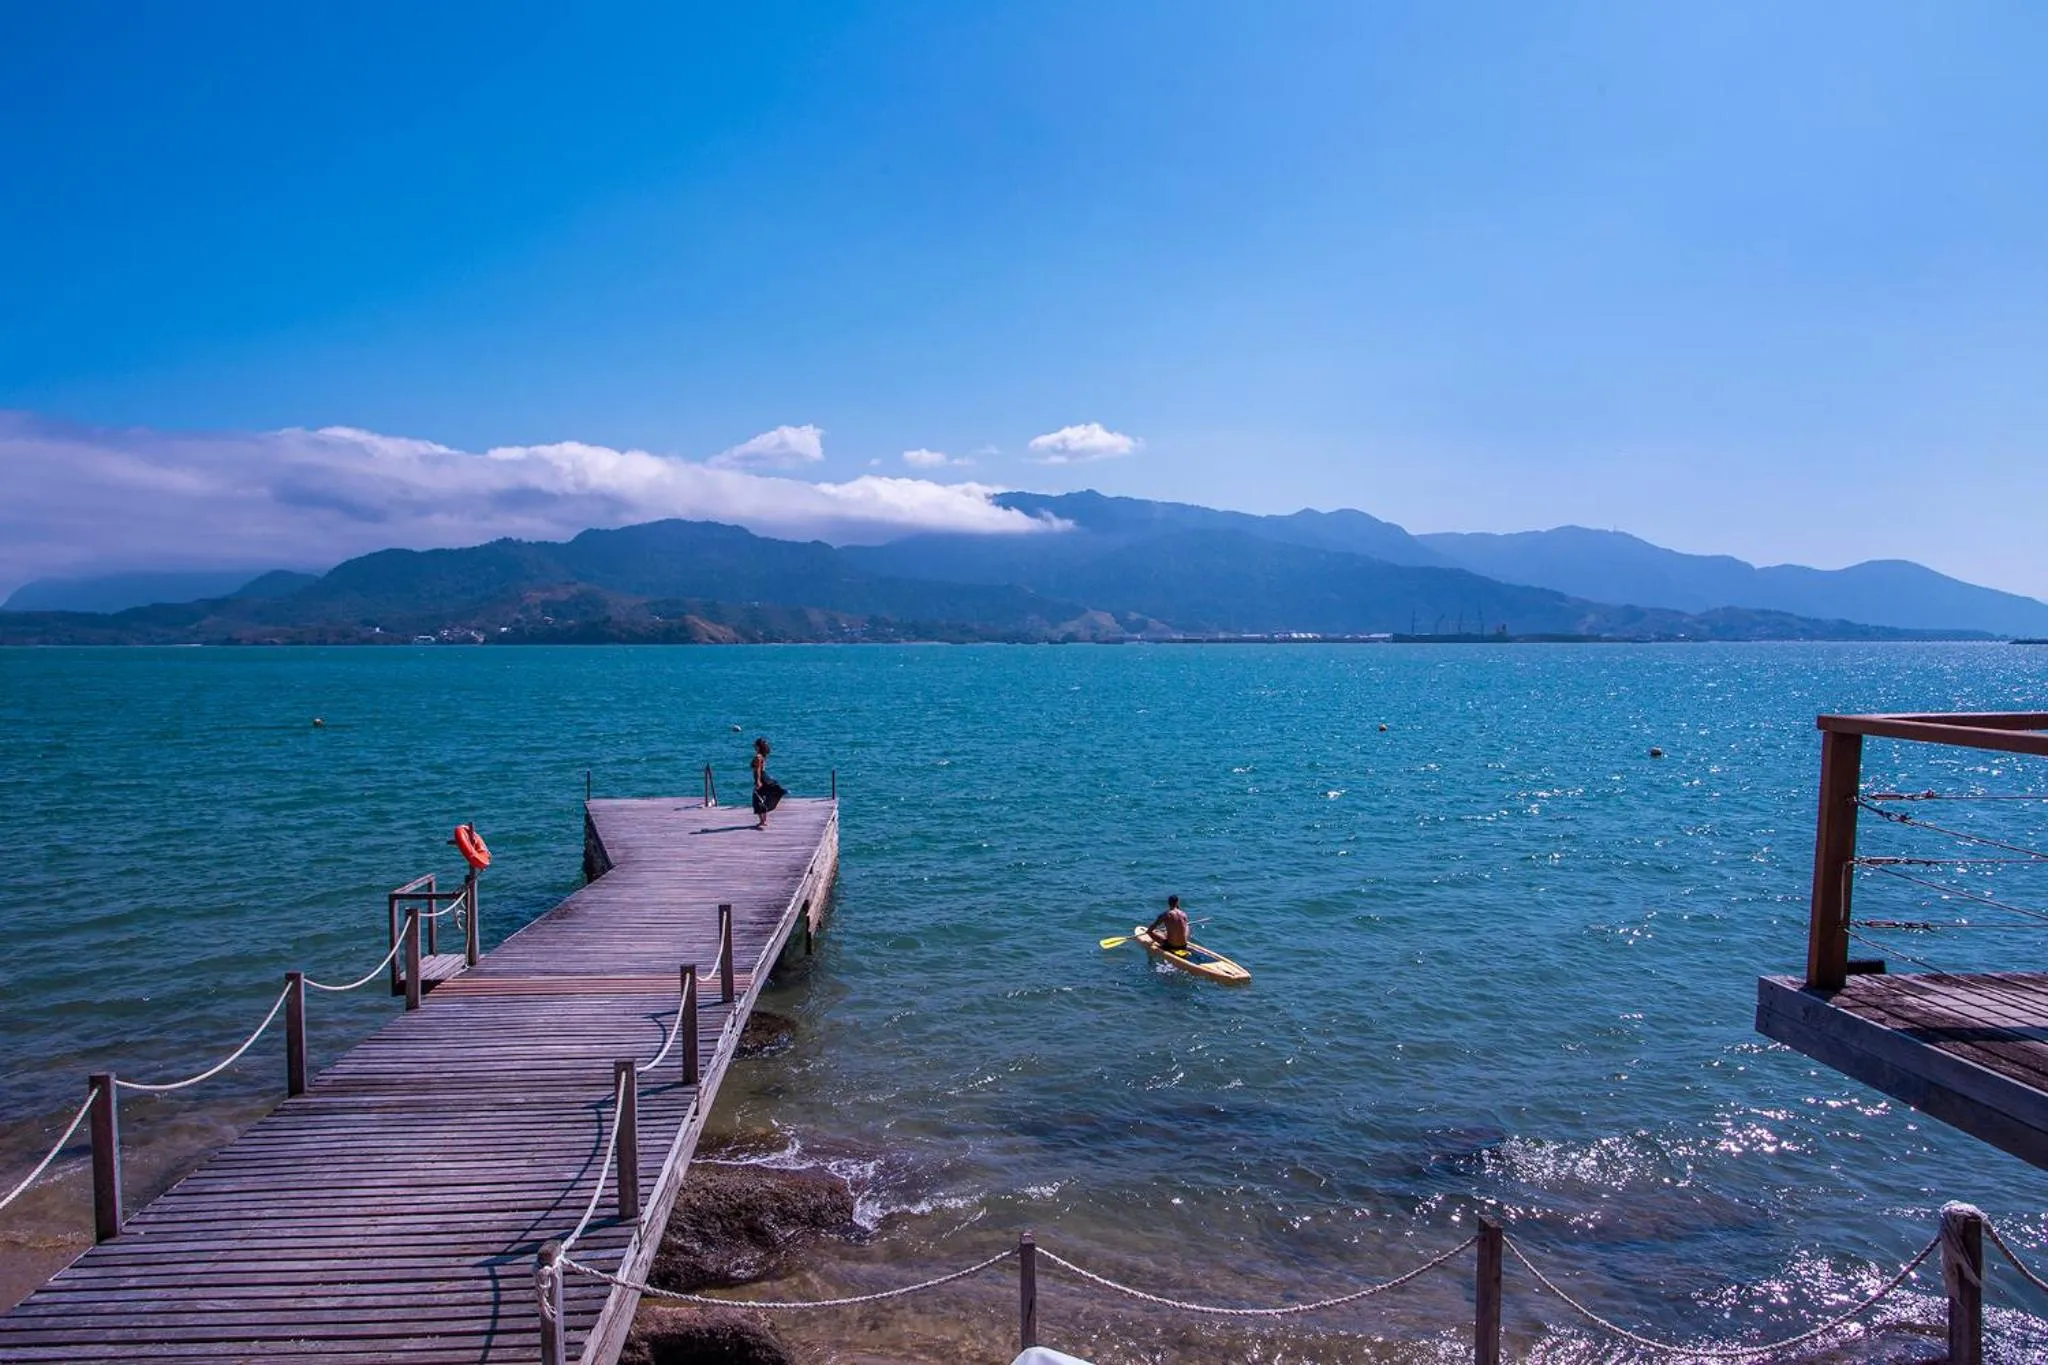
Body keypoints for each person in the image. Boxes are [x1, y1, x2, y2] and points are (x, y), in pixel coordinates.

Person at [751, 737, 785, 829]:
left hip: (761, 777)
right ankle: (763, 821)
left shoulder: (758, 757)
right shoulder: (762, 756)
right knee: (762, 797)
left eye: (755, 745)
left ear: (758, 747)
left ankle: (762, 821)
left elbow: (758, 770)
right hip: (764, 777)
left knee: (757, 798)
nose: (754, 747)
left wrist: (758, 781)